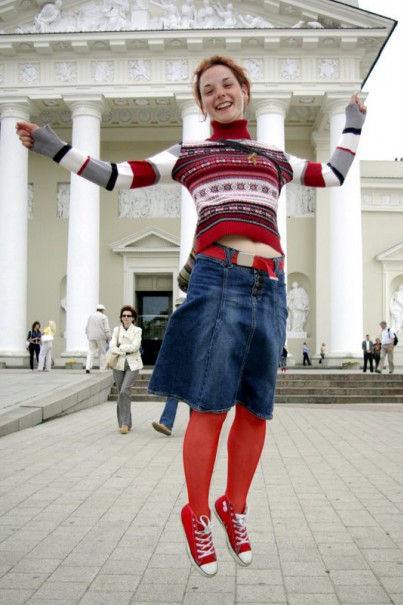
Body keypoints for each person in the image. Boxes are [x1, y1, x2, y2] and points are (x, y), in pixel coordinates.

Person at [16, 55, 366, 577]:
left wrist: (354, 122)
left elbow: (334, 172)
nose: (219, 93)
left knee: (256, 410)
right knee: (210, 405)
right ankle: (197, 513)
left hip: (270, 285)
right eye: (208, 90)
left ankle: (234, 507)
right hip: (218, 278)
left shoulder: (274, 157)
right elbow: (117, 176)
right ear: (201, 103)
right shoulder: (189, 153)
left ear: (245, 89)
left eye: (228, 84)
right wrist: (54, 147)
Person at [108, 305, 143, 434]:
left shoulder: (137, 330)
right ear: (121, 318)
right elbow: (112, 347)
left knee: (124, 391)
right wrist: (123, 349)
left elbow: (135, 347)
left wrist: (121, 347)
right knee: (121, 393)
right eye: (124, 315)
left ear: (133, 318)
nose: (126, 318)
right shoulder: (116, 330)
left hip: (133, 364)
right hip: (118, 364)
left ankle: (125, 423)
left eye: (129, 316)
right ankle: (125, 423)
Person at [85, 304, 111, 373]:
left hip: (91, 336)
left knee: (90, 352)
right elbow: (106, 328)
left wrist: (87, 335)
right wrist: (109, 337)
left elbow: (87, 327)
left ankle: (88, 367)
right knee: (102, 352)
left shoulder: (91, 316)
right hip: (101, 337)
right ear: (102, 310)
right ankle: (102, 368)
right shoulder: (104, 317)